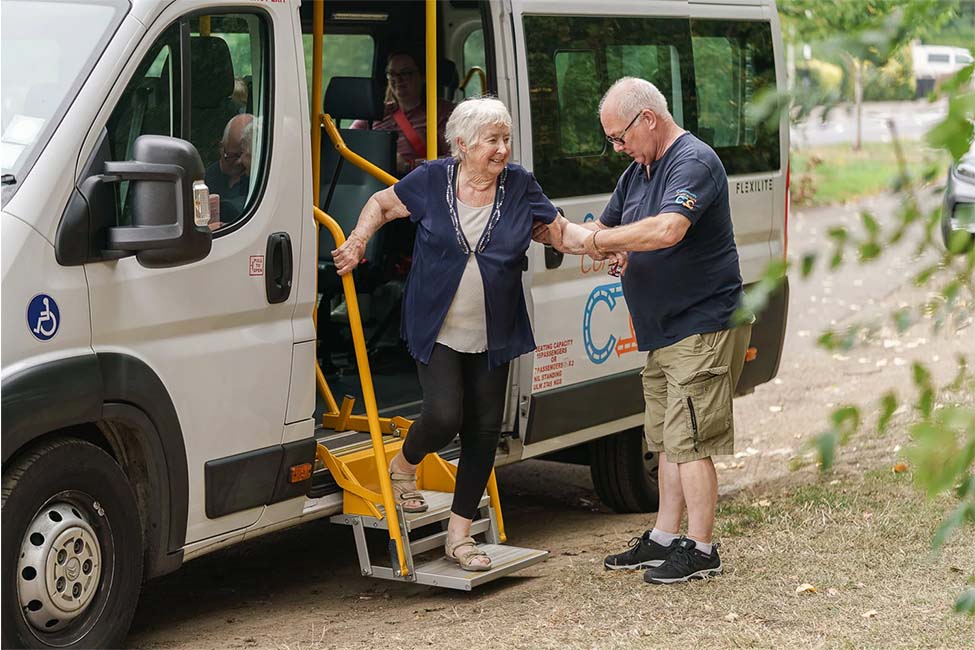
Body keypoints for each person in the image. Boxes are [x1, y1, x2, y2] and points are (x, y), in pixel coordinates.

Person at [332, 97, 561, 571]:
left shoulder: (519, 185)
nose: (503, 150)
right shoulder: (433, 179)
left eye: (506, 139)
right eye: (492, 141)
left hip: (495, 329)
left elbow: (559, 231)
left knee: (482, 430)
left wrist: (602, 245)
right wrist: (356, 242)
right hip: (436, 324)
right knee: (443, 415)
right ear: (462, 145)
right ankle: (404, 466)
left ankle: (459, 536)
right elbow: (381, 203)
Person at [539, 77, 752, 584]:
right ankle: (662, 537)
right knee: (664, 438)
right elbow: (604, 234)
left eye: (619, 137)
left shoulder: (692, 163)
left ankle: (701, 550)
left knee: (690, 440)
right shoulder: (637, 172)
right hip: (661, 331)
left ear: (648, 120)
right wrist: (580, 238)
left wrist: (605, 241)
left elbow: (667, 229)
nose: (617, 148)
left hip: (701, 325)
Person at [351, 51, 454, 175]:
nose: (397, 79)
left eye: (406, 73)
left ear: (422, 76)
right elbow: (349, 144)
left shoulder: (443, 112)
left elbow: (455, 160)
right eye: (392, 74)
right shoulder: (375, 111)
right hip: (374, 182)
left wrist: (410, 165)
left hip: (421, 183)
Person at [204, 113, 253, 229]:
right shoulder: (207, 178)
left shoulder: (256, 178)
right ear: (221, 148)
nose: (240, 162)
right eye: (233, 156)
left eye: (244, 154)